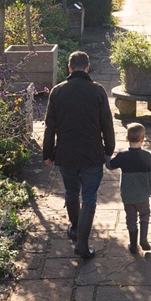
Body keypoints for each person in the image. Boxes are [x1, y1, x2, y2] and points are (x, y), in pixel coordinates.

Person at [43, 50, 115, 259]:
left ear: (69, 68)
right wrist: (108, 149)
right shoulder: (98, 91)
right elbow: (107, 125)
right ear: (88, 67)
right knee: (90, 196)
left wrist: (47, 153)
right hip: (92, 153)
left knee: (71, 192)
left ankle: (75, 229)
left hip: (65, 154)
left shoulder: (57, 92)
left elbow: (50, 127)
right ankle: (82, 242)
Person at [107, 122, 151, 254]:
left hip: (127, 195)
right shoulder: (146, 156)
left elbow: (110, 166)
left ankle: (133, 244)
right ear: (143, 139)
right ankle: (143, 239)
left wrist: (106, 155)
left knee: (131, 219)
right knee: (145, 215)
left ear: (127, 138)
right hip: (142, 195)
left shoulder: (123, 156)